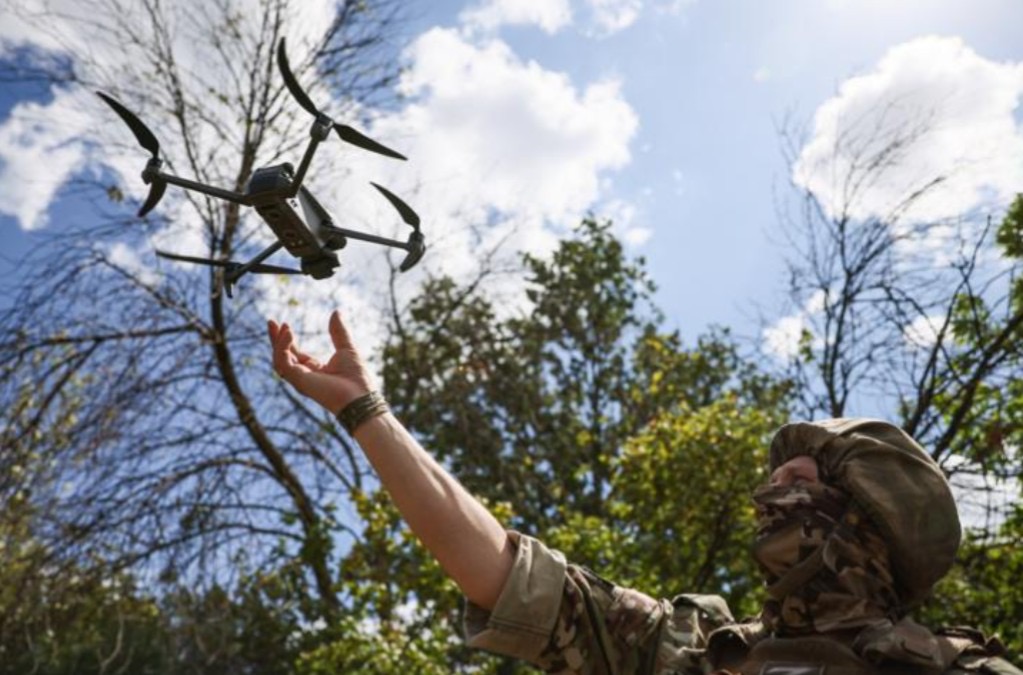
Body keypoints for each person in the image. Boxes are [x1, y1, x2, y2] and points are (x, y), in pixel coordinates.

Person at [267, 311, 1020, 675]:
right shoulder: (686, 650)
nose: (771, 493)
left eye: (803, 484)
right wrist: (367, 412)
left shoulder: (957, 670)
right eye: (772, 482)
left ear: (871, 524)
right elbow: (503, 572)